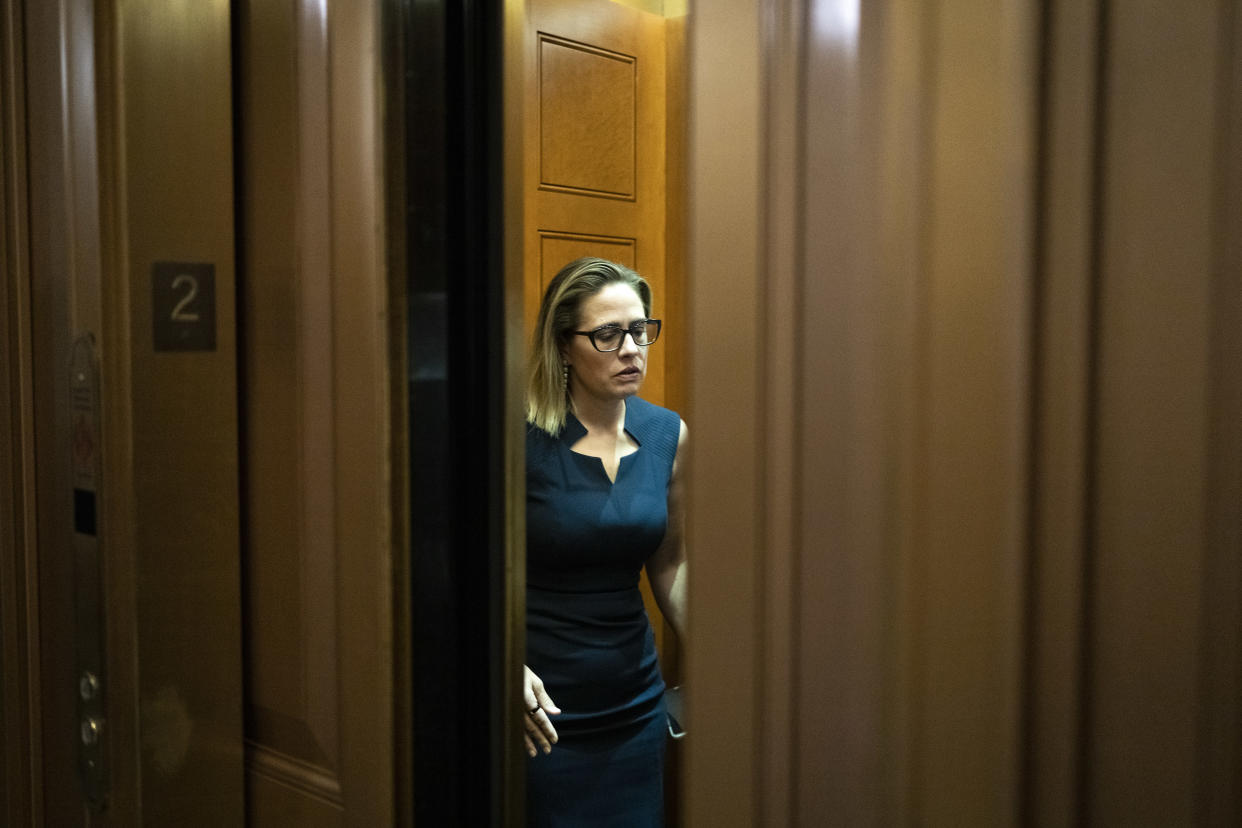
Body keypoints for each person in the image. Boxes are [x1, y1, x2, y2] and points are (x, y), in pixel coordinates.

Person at [523, 257, 688, 827]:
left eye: (640, 330)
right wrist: (499, 667)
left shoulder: (668, 433)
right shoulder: (516, 437)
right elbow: (457, 570)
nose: (631, 348)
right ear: (564, 346)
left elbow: (671, 563)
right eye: (608, 334)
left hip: (635, 704)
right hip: (539, 713)